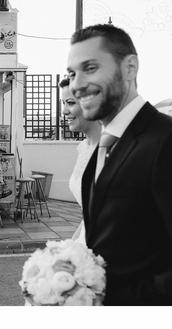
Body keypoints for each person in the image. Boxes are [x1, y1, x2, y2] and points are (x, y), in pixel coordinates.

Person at [67, 24, 172, 305]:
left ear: (130, 68)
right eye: (72, 73)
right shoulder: (102, 146)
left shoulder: (165, 140)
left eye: (90, 68)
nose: (76, 85)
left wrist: (104, 300)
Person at [59, 78, 101, 244]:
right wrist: (72, 246)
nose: (64, 111)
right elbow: (88, 215)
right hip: (86, 242)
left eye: (70, 103)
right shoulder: (83, 147)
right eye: (63, 103)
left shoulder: (114, 151)